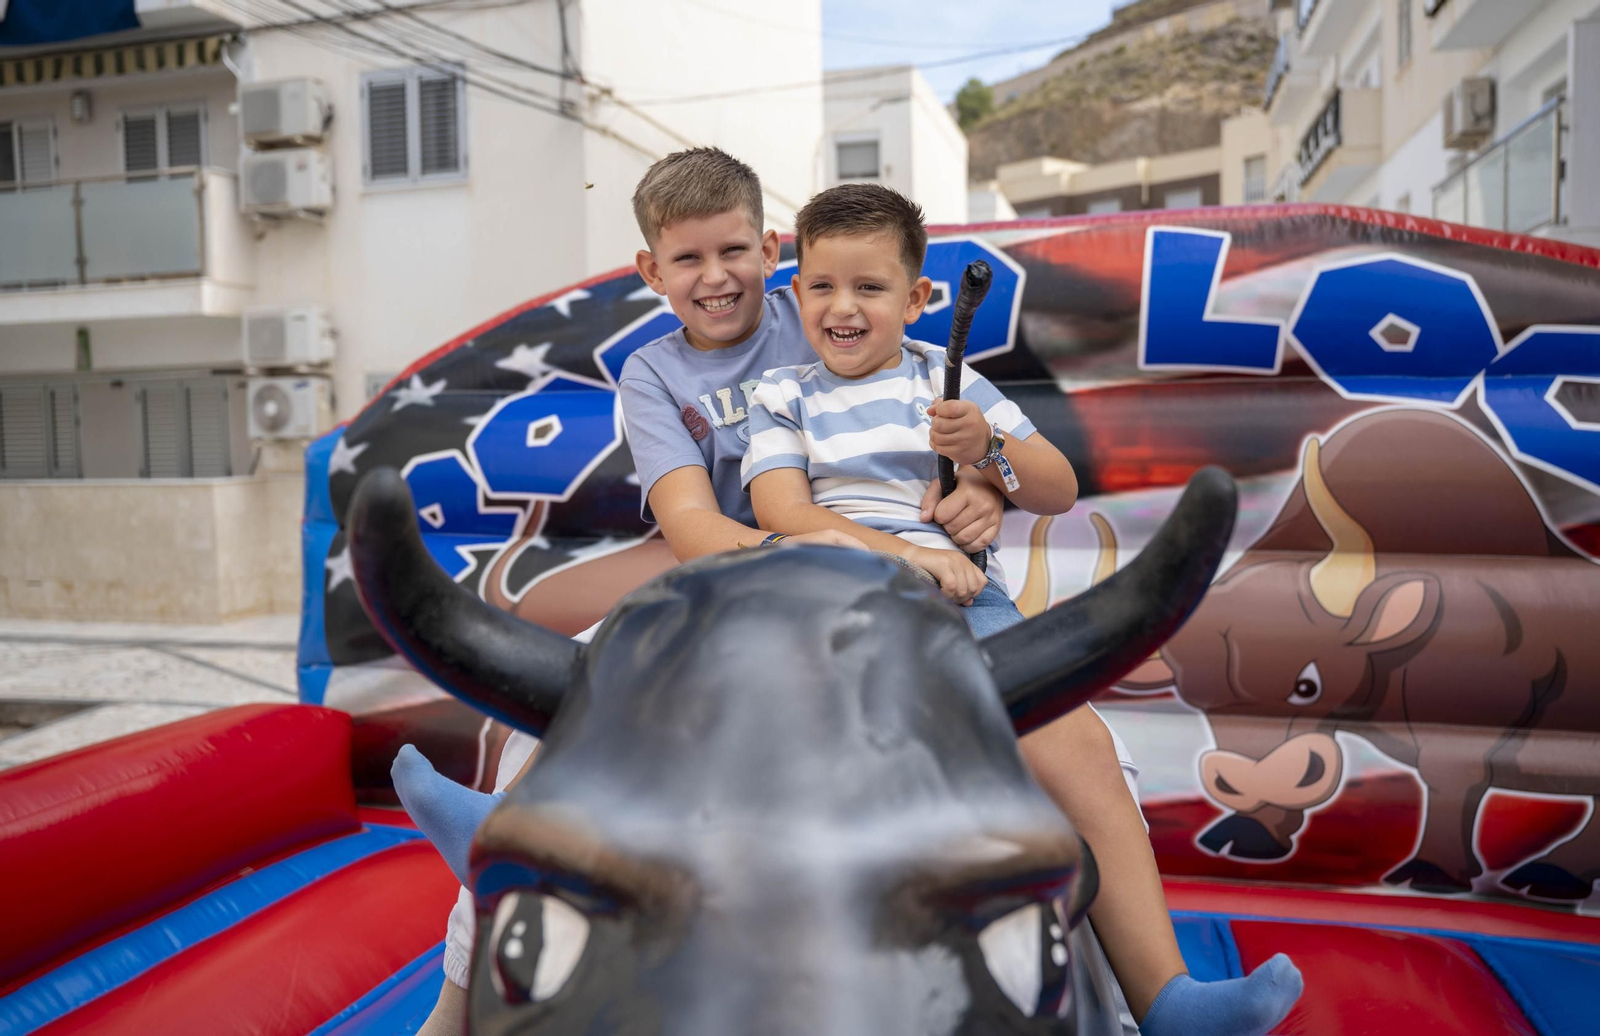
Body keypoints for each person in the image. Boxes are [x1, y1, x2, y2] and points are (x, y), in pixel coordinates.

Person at [398, 152, 1301, 1036]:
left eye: (736, 253)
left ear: (775, 258)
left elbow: (997, 461)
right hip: (726, 594)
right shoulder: (671, 374)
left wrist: (981, 480)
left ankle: (1163, 994)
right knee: (550, 728)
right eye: (689, 260)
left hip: (920, 596)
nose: (718, 279)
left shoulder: (841, 319)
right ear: (653, 271)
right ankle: (471, 955)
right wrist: (863, 558)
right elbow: (704, 528)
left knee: (1083, 751)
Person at [741, 181, 1301, 1036]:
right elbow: (785, 511)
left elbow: (1058, 486)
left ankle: (1166, 999)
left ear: (918, 299)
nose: (842, 307)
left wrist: (989, 452)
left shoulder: (953, 387)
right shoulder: (783, 394)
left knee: (1081, 742)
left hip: (973, 608)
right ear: (795, 293)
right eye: (821, 287)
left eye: (869, 287)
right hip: (832, 601)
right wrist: (914, 557)